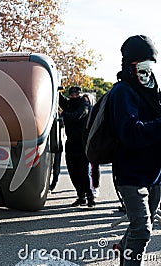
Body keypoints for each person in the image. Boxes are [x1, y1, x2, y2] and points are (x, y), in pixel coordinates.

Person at [109, 35, 161, 266]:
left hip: (155, 175)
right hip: (131, 175)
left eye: (150, 66)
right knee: (142, 231)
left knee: (137, 225)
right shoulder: (122, 92)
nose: (147, 73)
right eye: (142, 67)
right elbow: (130, 133)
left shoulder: (152, 93)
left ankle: (122, 248)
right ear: (130, 66)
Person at [59, 86, 95, 208]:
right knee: (73, 171)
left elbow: (78, 115)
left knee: (84, 171)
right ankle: (81, 196)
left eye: (76, 93)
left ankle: (90, 197)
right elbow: (60, 99)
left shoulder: (84, 104)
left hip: (82, 143)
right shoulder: (69, 104)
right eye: (72, 93)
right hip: (71, 142)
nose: (74, 95)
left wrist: (64, 114)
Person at [49, 113, 64, 191]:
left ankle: (53, 184)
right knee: (48, 167)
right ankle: (48, 184)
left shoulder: (59, 115)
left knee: (56, 168)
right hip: (48, 145)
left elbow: (62, 124)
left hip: (56, 144)